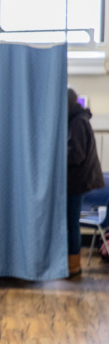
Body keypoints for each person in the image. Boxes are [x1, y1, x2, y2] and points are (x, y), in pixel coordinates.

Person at [67, 87, 104, 277]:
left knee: (71, 223)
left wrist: (55, 157)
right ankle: (71, 264)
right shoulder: (78, 120)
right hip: (78, 181)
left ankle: (73, 265)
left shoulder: (77, 122)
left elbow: (76, 155)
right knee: (71, 222)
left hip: (77, 182)